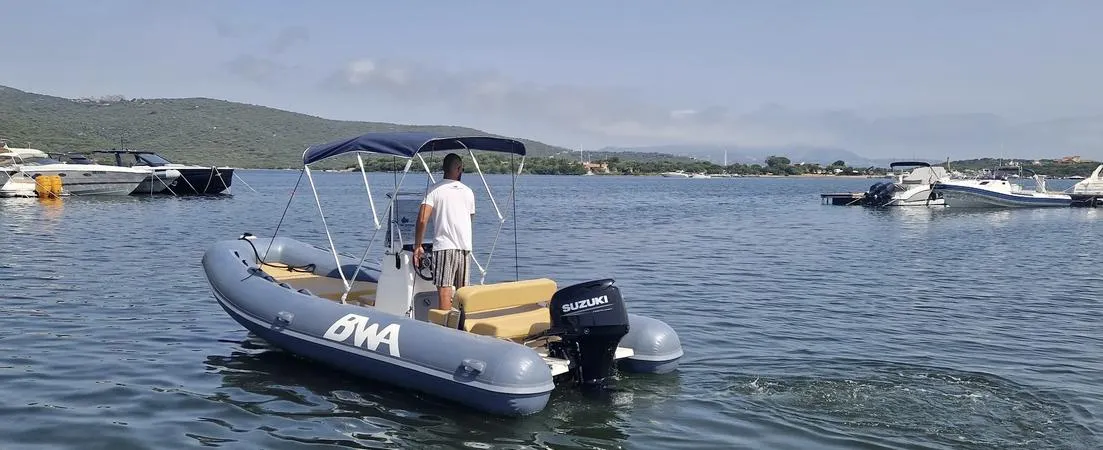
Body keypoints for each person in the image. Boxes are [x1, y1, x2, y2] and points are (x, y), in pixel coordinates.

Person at [413, 153, 475, 311]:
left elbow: (422, 220)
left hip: (444, 246)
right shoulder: (468, 192)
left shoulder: (434, 190)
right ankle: (461, 328)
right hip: (465, 248)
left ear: (443, 169)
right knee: (463, 292)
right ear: (459, 169)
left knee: (444, 290)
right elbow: (470, 219)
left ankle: (445, 328)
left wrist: (418, 246)